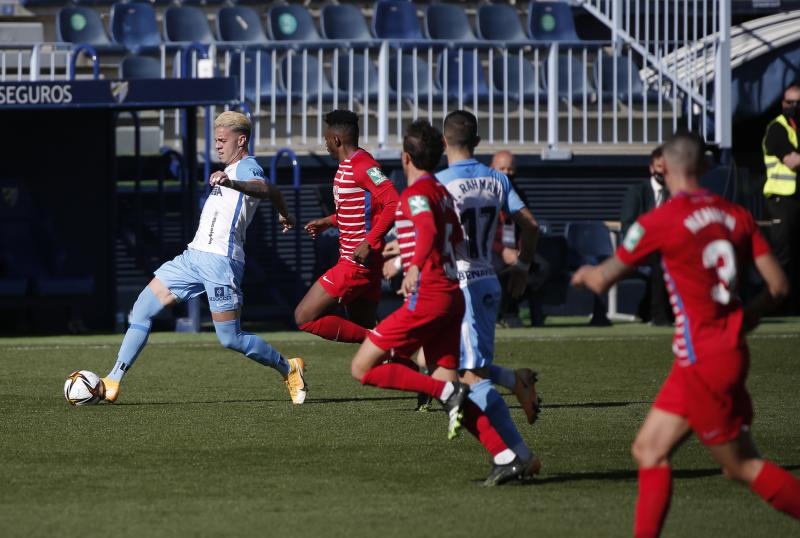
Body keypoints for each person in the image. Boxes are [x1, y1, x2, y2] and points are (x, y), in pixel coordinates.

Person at [572, 131, 800, 537]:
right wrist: (748, 315)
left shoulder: (660, 219)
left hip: (703, 361)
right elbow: (779, 287)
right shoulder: (736, 215)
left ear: (666, 166)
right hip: (716, 353)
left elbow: (606, 277)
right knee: (649, 450)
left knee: (741, 467)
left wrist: (588, 274)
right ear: (706, 167)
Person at [350, 120, 519, 484]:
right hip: (452, 294)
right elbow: (457, 237)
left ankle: (445, 389)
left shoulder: (416, 194)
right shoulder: (441, 191)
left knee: (362, 369)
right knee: (448, 384)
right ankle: (506, 456)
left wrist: (410, 266)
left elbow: (426, 231)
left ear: (405, 157)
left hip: (428, 296)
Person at [101, 112, 307, 404]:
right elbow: (273, 191)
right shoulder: (231, 170)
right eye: (216, 141)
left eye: (223, 141)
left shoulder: (247, 167)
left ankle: (289, 368)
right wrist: (285, 213)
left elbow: (263, 188)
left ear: (242, 140)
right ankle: (113, 379)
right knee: (142, 308)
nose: (218, 147)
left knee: (230, 339)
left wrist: (233, 184)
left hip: (222, 263)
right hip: (192, 257)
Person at [437, 111, 542, 485]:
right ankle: (515, 381)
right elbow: (530, 224)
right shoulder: (496, 178)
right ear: (478, 141)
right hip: (486, 278)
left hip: (461, 284)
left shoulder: (440, 183)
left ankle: (518, 455)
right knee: (448, 365)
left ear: (444, 142)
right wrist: (523, 267)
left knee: (470, 377)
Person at [295, 110, 399, 342]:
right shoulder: (351, 165)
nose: (325, 146)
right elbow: (362, 208)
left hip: (355, 264)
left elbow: (393, 202)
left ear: (336, 140)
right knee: (364, 333)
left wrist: (369, 241)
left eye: (326, 141)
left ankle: (384, 340)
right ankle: (400, 362)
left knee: (304, 317)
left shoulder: (363, 165)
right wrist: (328, 221)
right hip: (362, 262)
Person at [620, 146, 674, 325]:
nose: (663, 172)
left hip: (668, 249)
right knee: (660, 261)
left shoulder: (675, 193)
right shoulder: (637, 192)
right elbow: (628, 227)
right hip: (641, 248)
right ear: (652, 168)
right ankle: (658, 315)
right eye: (659, 168)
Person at [762, 83, 800, 314]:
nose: (793, 107)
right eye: (789, 102)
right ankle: (778, 307)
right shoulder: (777, 128)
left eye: (798, 103)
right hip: (782, 201)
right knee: (782, 255)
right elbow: (791, 161)